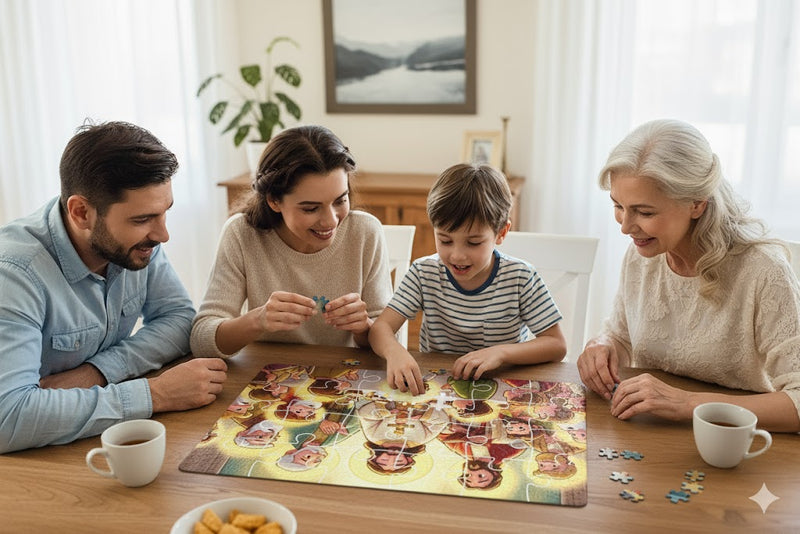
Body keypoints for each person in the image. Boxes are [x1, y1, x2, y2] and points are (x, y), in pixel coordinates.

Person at [0, 121, 227, 454]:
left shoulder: (135, 244)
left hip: (88, 444)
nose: (163, 235)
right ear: (81, 213)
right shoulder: (15, 275)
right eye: (142, 219)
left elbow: (179, 318)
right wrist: (156, 394)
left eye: (165, 212)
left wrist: (97, 372)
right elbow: (9, 420)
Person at [577, 118, 800, 433]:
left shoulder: (763, 270)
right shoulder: (643, 254)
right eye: (618, 206)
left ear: (697, 203)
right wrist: (602, 346)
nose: (625, 227)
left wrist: (688, 404)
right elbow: (621, 336)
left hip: (735, 447)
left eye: (645, 212)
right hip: (651, 438)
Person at [190, 125, 392, 357]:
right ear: (274, 201)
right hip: (263, 379)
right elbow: (200, 340)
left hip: (343, 381)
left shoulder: (365, 232)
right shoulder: (241, 234)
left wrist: (363, 327)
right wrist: (258, 320)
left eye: (340, 200)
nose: (330, 221)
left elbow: (390, 340)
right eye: (311, 208)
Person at [369, 163, 567, 395]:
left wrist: (500, 353)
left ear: (501, 233)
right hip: (438, 388)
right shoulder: (424, 273)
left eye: (473, 243)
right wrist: (395, 351)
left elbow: (556, 345)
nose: (457, 255)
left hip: (504, 388)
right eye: (445, 240)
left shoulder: (521, 277)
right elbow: (380, 328)